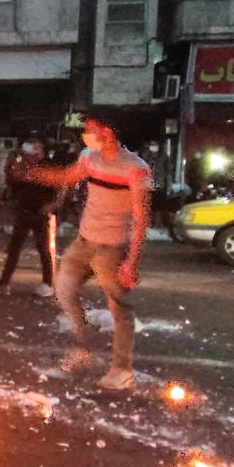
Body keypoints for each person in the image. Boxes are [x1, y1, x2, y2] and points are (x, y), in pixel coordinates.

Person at [22, 115, 151, 392]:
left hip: (113, 247)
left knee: (119, 309)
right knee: (64, 290)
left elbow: (142, 218)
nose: (87, 134)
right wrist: (34, 173)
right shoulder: (89, 157)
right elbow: (67, 177)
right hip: (84, 241)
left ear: (109, 131)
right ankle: (84, 347)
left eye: (92, 129)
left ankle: (121, 369)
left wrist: (131, 262)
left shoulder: (136, 169)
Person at [0, 138, 59, 296]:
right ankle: (4, 283)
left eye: (29, 155)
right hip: (24, 211)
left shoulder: (49, 168)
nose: (27, 157)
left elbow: (60, 189)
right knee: (15, 248)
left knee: (43, 249)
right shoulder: (25, 167)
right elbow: (14, 183)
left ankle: (47, 283)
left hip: (40, 212)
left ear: (39, 153)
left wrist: (51, 206)